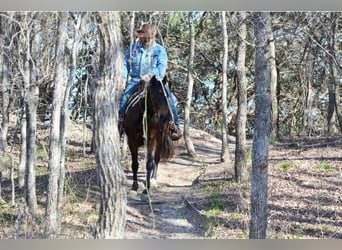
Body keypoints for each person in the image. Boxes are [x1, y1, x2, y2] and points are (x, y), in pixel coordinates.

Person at [119, 23, 182, 140]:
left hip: (155, 80)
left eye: (146, 37)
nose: (143, 38)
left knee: (168, 99)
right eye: (142, 36)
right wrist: (123, 80)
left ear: (152, 37)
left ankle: (175, 126)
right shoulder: (133, 48)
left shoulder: (159, 50)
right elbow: (125, 65)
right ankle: (120, 125)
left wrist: (150, 75)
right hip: (135, 80)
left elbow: (161, 67)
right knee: (123, 100)